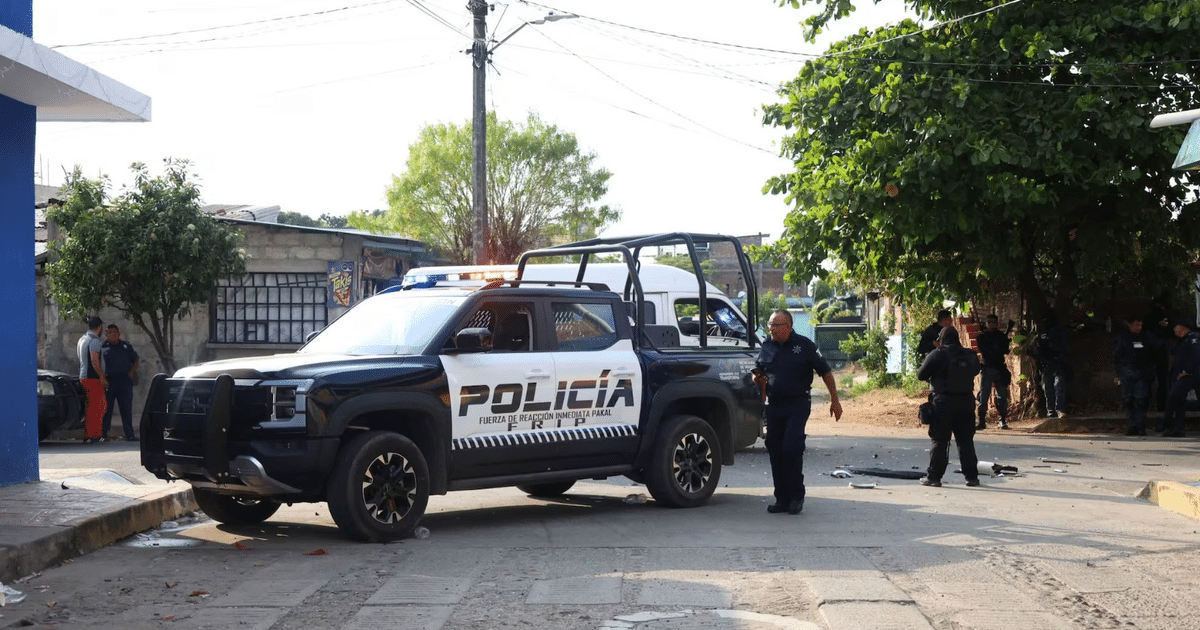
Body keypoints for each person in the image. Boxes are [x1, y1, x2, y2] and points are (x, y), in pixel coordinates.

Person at [752, 310, 843, 515]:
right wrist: (758, 380)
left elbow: (826, 372)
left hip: (798, 404)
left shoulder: (804, 346)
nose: (771, 329)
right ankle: (781, 499)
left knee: (791, 447)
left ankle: (796, 496)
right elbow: (759, 371)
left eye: (776, 325)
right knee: (775, 449)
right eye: (770, 325)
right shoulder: (767, 345)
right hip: (775, 405)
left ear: (788, 327)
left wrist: (835, 400)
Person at [916, 326, 981, 487]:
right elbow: (975, 370)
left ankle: (934, 477)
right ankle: (971, 477)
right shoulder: (969, 355)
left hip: (943, 402)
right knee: (965, 441)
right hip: (966, 402)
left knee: (940, 441)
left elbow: (920, 374)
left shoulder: (937, 354)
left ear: (941, 339)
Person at [1161, 318, 1200, 438]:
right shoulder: (1181, 340)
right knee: (1179, 401)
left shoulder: (1193, 339)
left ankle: (1166, 424)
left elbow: (1196, 356)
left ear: (1182, 329)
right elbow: (1173, 352)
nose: (1175, 332)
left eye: (1176, 330)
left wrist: (1187, 371)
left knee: (1174, 397)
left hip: (1190, 375)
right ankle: (1178, 429)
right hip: (1180, 375)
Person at [101, 324, 140, 441]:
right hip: (110, 383)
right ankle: (103, 434)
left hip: (125, 383)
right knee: (107, 410)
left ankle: (129, 434)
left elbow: (135, 360)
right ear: (106, 334)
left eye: (114, 332)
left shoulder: (126, 346)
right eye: (109, 333)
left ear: (119, 333)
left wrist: (131, 372)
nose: (112, 335)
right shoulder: (103, 347)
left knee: (126, 409)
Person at [975, 314, 1011, 430]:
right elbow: (985, 351)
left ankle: (1002, 420)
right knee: (983, 396)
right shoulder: (983, 337)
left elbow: (1005, 350)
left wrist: (999, 346)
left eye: (994, 322)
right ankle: (981, 421)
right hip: (988, 368)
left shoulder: (1001, 336)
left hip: (1000, 368)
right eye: (989, 322)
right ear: (986, 324)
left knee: (1002, 396)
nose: (992, 324)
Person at [75, 317, 108, 443]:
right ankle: (94, 434)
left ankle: (91, 434)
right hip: (92, 378)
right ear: (99, 327)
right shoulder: (94, 341)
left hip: (84, 376)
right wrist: (102, 377)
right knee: (99, 406)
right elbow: (95, 361)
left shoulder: (82, 339)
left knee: (92, 406)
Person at [1035, 311, 1070, 418]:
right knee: (1047, 388)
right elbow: (1039, 350)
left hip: (1058, 362)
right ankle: (1051, 411)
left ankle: (1059, 409)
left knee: (1059, 385)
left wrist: (1051, 344)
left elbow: (1064, 348)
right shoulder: (1042, 334)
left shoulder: (1060, 332)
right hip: (1046, 364)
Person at [1146, 301, 1173, 414]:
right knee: (1160, 380)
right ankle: (1160, 406)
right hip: (1157, 351)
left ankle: (1154, 405)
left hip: (1155, 351)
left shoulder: (1151, 318)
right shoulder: (1155, 318)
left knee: (1156, 380)